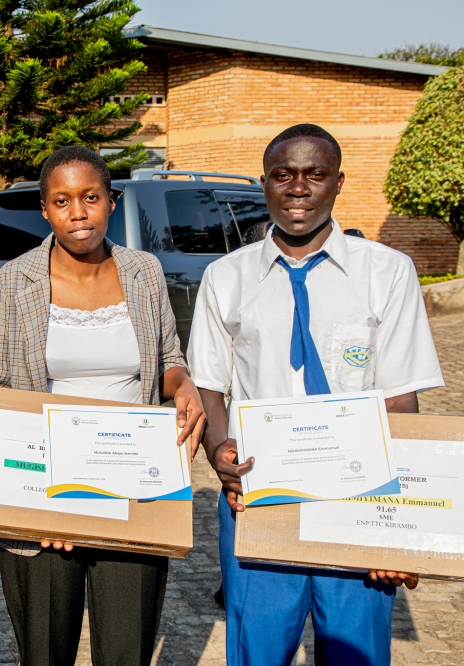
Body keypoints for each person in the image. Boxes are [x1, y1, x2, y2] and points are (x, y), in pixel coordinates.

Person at [188, 124, 444, 666]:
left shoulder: (388, 273)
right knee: (257, 650)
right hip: (259, 499)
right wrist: (218, 452)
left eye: (315, 174)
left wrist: (400, 522)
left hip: (360, 499)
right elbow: (210, 384)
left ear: (338, 183)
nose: (298, 187)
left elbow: (400, 399)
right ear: (264, 184)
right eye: (283, 175)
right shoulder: (226, 277)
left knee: (355, 652)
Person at [0, 145, 208, 666]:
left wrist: (185, 384)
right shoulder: (15, 281)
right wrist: (38, 500)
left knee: (127, 652)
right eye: (62, 200)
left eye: (91, 197)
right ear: (45, 209)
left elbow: (169, 358)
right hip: (43, 499)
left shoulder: (144, 273)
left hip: (132, 492)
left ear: (111, 201)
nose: (78, 212)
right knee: (45, 654)